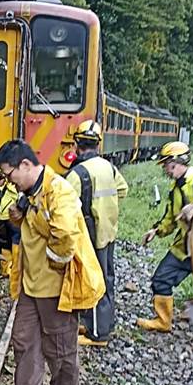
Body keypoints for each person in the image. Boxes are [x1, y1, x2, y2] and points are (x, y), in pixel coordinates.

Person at [0, 140, 105, 385]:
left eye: (9, 175)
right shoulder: (31, 193)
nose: (9, 182)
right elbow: (37, 229)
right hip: (32, 286)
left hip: (55, 286)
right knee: (24, 341)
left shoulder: (59, 191)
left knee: (59, 345)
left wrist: (54, 265)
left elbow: (65, 236)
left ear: (26, 166)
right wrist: (19, 219)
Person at [65, 120, 128, 346]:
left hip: (91, 234)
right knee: (107, 277)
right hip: (109, 231)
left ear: (77, 144)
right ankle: (105, 322)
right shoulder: (108, 167)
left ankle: (98, 333)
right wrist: (107, 206)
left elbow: (63, 204)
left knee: (93, 280)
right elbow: (123, 189)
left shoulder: (78, 173)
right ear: (98, 144)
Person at [137, 141, 193, 332]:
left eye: (167, 165)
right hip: (185, 248)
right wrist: (156, 231)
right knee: (161, 279)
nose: (166, 170)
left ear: (177, 162)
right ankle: (163, 321)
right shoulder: (175, 189)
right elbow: (170, 218)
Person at [0, 169, 20, 279]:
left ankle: (9, 270)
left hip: (8, 218)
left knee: (8, 243)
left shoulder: (8, 186)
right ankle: (11, 270)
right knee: (11, 242)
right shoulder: (11, 185)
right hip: (7, 218)